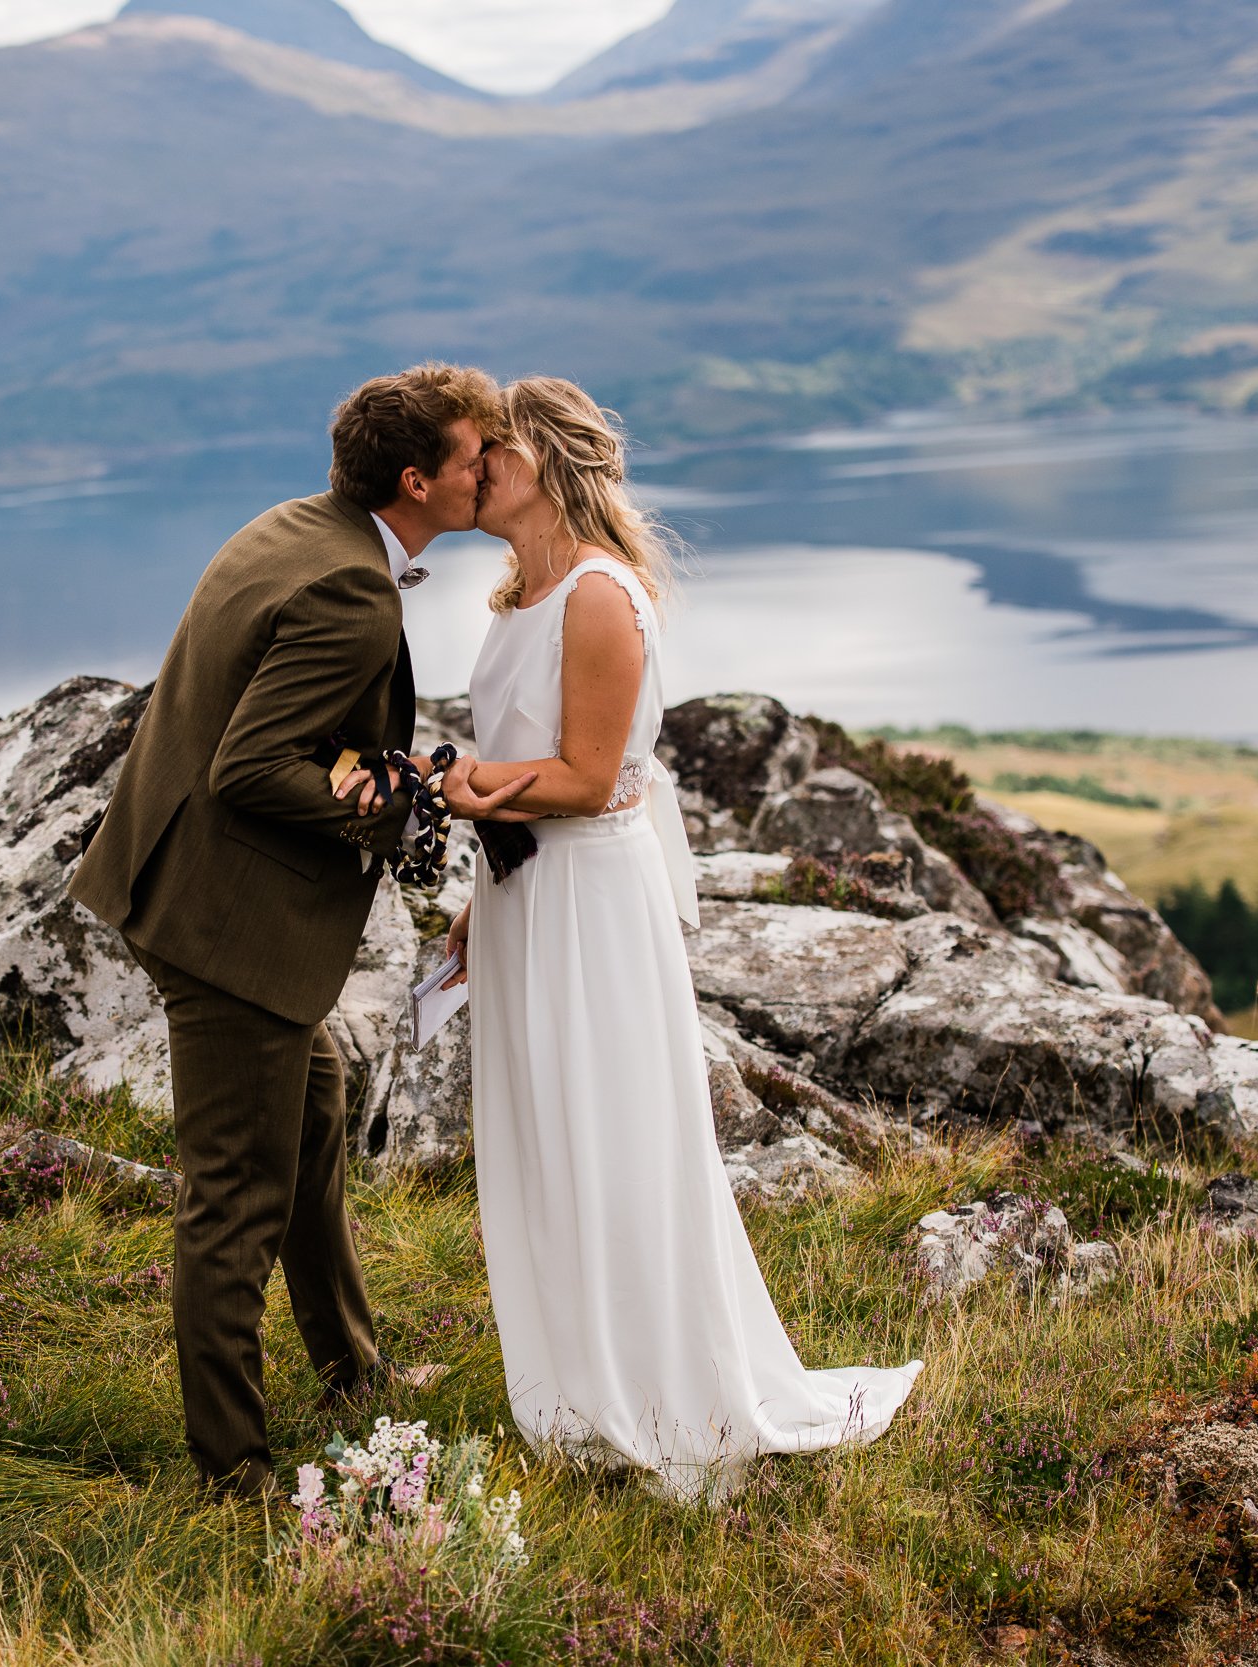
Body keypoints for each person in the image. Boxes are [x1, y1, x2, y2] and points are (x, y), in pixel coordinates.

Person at [423, 376, 923, 1501]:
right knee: (547, 1137)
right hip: (524, 897)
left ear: (543, 463)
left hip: (591, 907)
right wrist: (477, 893)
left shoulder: (599, 595)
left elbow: (592, 779)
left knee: (612, 1134)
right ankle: (578, 1386)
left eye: (491, 451)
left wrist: (455, 788)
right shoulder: (511, 598)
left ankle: (662, 1391)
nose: (474, 470)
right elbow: (535, 758)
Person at [67, 363, 535, 1499]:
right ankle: (232, 1472)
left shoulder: (297, 527)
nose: (493, 467)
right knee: (233, 1198)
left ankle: (351, 1371)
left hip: (172, 880)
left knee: (314, 1108)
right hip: (228, 925)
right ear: (418, 478)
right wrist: (394, 803)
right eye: (478, 454)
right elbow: (250, 766)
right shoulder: (350, 593)